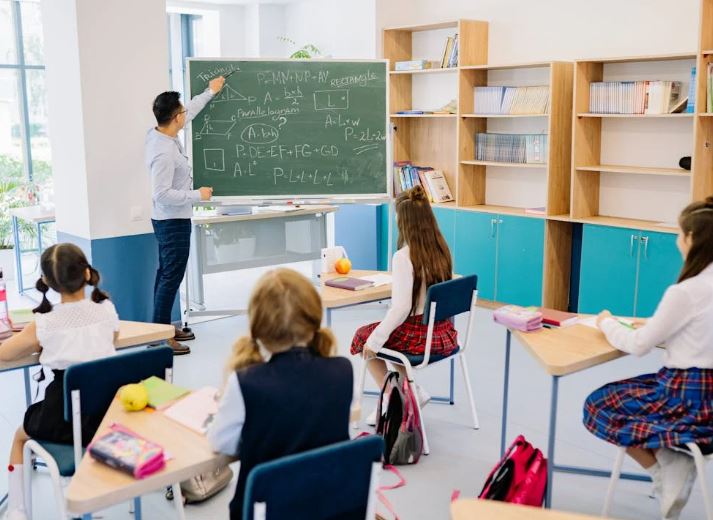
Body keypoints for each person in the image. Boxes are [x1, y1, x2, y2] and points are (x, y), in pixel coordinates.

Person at [583, 196, 713, 520]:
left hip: (683, 395)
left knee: (598, 405)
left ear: (693, 239)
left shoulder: (685, 292)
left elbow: (638, 345)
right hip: (708, 402)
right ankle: (672, 458)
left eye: (680, 233)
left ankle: (662, 472)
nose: (677, 240)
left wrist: (606, 322)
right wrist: (657, 326)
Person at [208, 268, 352, 520]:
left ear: (258, 327)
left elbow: (221, 442)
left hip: (266, 511)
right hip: (329, 508)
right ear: (314, 319)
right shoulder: (343, 370)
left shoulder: (244, 382)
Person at [0, 244, 119, 520]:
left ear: (47, 282)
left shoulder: (45, 322)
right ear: (87, 273)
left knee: (19, 436)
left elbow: (5, 354)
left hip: (61, 421)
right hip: (106, 419)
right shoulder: (107, 310)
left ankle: (17, 510)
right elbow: (111, 341)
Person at [350, 185, 457, 425]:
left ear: (405, 221)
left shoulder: (403, 257)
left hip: (420, 338)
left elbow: (400, 309)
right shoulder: (441, 249)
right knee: (392, 336)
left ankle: (394, 398)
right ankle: (413, 391)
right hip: (442, 333)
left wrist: (374, 342)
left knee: (363, 337)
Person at [146, 76, 225, 355]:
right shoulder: (163, 152)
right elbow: (161, 194)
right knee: (170, 277)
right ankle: (162, 337)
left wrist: (210, 92)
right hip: (172, 221)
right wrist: (197, 195)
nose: (185, 114)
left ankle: (162, 328)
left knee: (166, 275)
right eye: (181, 112)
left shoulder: (162, 133)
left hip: (171, 218)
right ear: (175, 118)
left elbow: (190, 109)